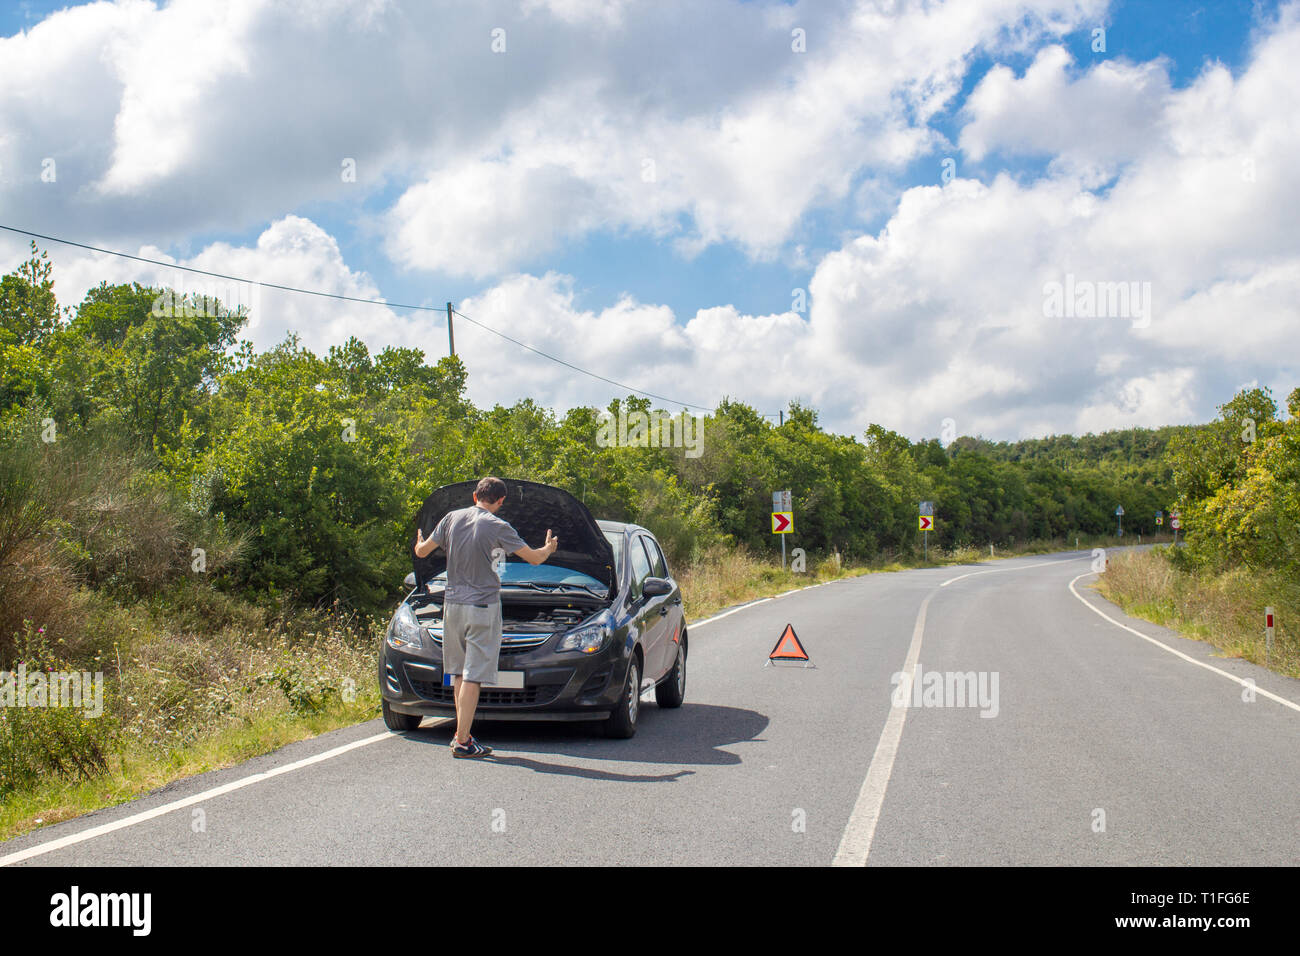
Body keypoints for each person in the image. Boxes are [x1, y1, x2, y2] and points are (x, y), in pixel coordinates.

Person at [414, 476, 557, 758]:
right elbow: (535, 559)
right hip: (483, 607)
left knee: (457, 671)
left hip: (452, 606)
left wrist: (419, 541)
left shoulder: (451, 519)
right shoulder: (498, 526)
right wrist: (549, 548)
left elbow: (422, 552)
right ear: (501, 501)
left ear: (474, 495)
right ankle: (463, 740)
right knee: (474, 675)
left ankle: (461, 734)